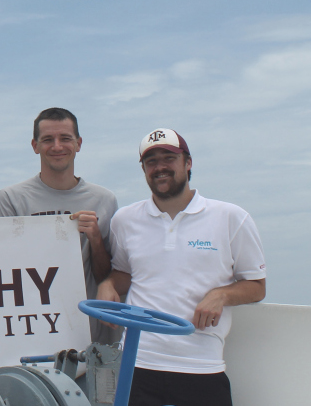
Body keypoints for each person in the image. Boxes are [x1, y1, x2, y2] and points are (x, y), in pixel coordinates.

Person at [97, 129, 266, 406]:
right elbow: (123, 275)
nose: (160, 167)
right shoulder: (124, 220)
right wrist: (107, 285)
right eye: (151, 162)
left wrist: (220, 295)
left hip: (202, 366)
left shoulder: (232, 217)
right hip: (137, 364)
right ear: (143, 169)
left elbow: (257, 286)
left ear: (188, 163)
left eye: (169, 158)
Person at [0, 107, 120, 344]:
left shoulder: (104, 199)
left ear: (79, 143)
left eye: (65, 139)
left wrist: (94, 240)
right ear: (35, 145)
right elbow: (3, 271)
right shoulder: (12, 198)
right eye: (48, 139)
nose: (57, 147)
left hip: (91, 334)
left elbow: (107, 276)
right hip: (31, 329)